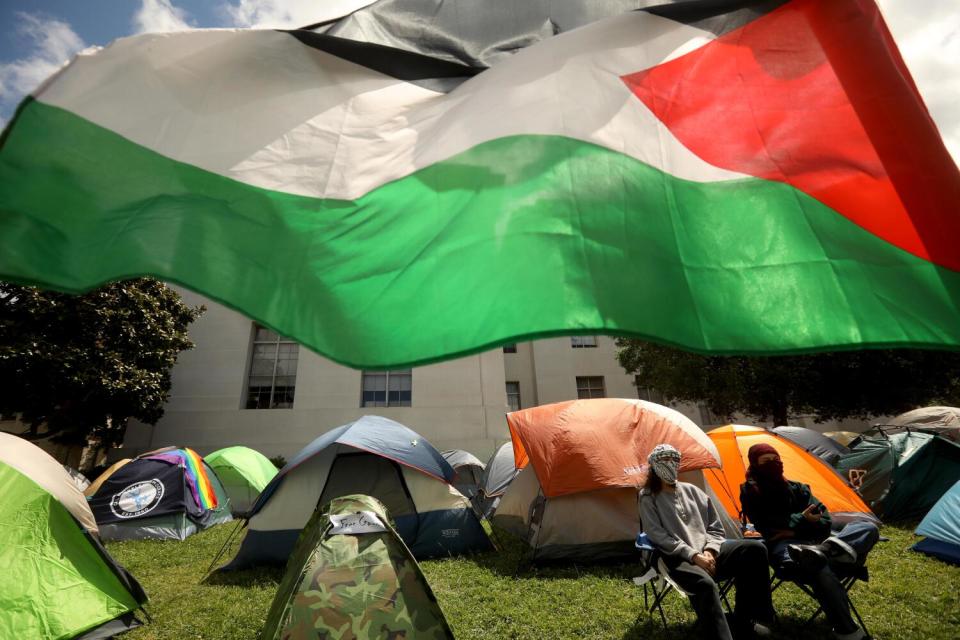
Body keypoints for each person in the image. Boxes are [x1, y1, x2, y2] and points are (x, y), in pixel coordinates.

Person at [740, 443, 880, 640]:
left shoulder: (798, 488)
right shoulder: (751, 491)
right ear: (755, 464)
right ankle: (847, 631)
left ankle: (826, 549)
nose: (773, 464)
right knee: (816, 564)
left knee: (868, 527)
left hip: (818, 542)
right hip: (787, 549)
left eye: (776, 460)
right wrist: (803, 519)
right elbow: (766, 524)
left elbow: (824, 521)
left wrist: (792, 525)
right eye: (766, 461)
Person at [640, 444, 774, 640]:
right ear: (653, 466)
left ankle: (747, 620)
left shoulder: (693, 491)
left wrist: (710, 551)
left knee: (754, 549)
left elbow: (715, 527)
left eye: (673, 460)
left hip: (707, 551)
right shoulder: (647, 496)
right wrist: (694, 556)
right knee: (705, 583)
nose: (669, 464)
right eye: (663, 461)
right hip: (674, 556)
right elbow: (657, 535)